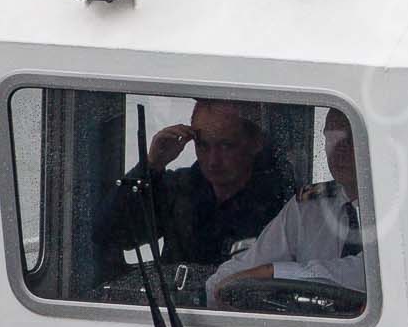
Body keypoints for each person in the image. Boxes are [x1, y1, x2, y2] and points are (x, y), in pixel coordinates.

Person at [98, 98, 294, 266]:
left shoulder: (284, 203)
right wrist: (151, 166)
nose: (213, 160)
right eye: (203, 145)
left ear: (255, 142)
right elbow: (110, 234)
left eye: (226, 146)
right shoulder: (179, 189)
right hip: (175, 306)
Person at [207, 109, 367, 304]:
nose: (340, 149)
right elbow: (251, 263)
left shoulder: (398, 212)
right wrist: (215, 290)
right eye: (332, 138)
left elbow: (368, 274)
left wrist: (272, 273)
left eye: (351, 139)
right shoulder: (308, 207)